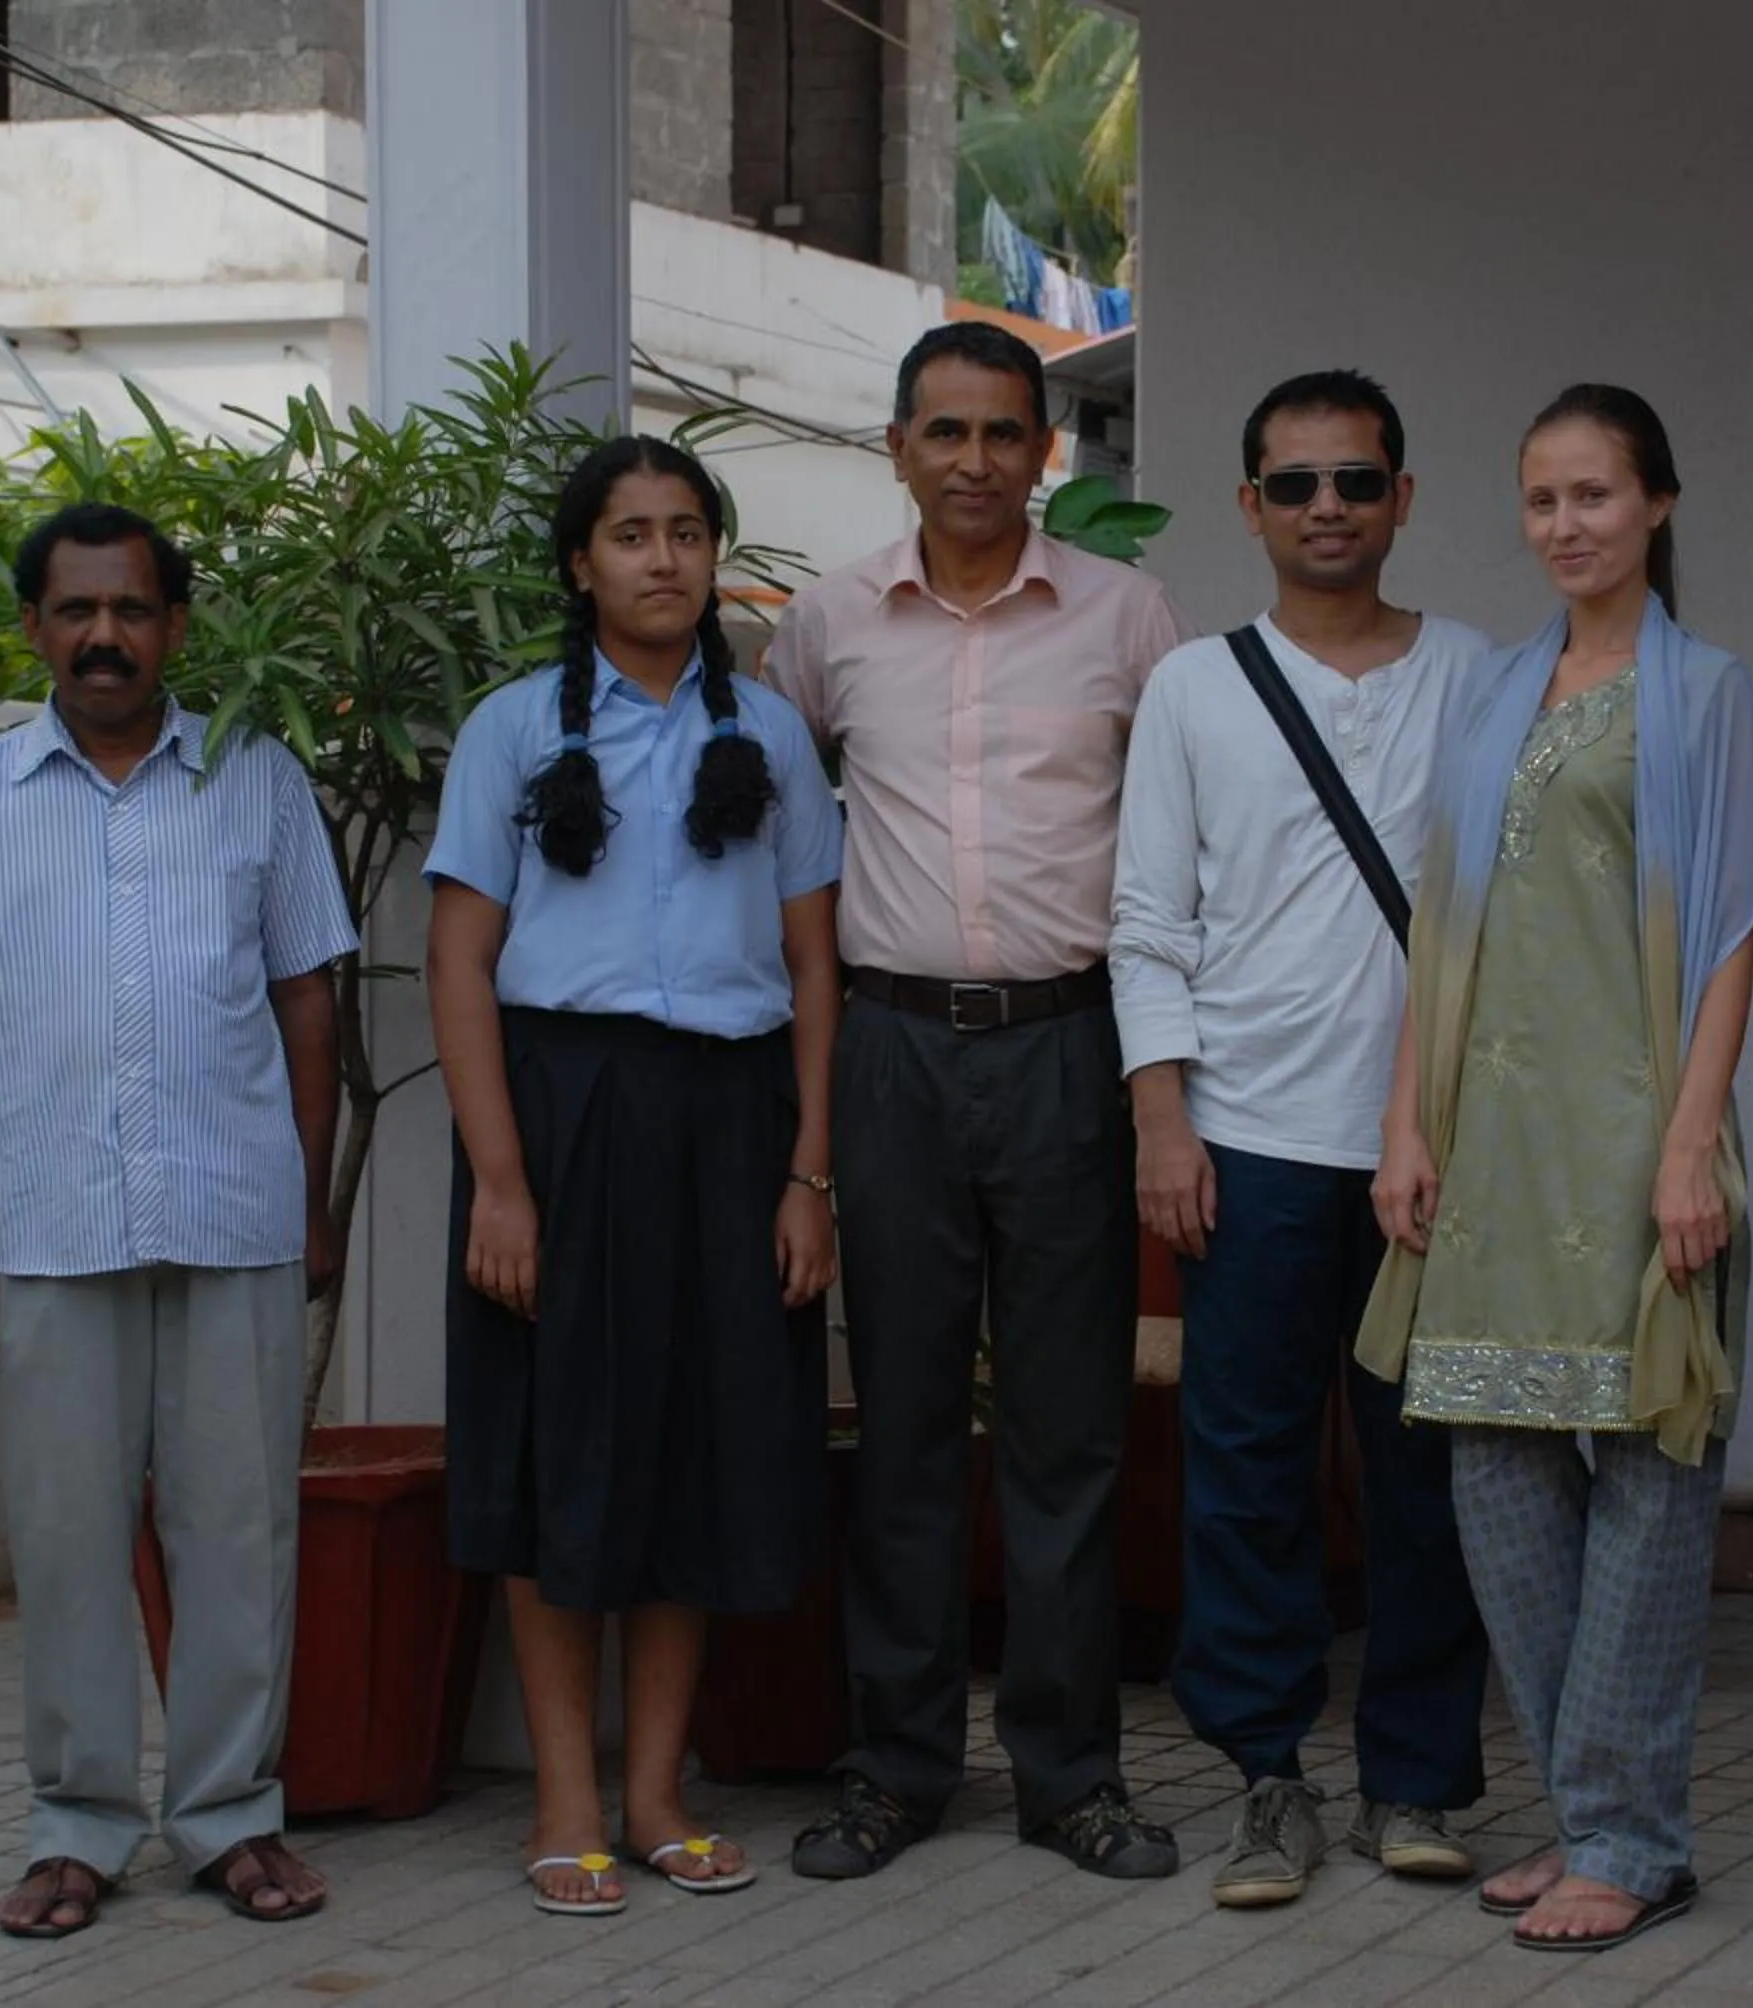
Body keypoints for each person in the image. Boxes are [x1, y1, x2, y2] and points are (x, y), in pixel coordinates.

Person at [1356, 385, 1753, 1953]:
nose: (1566, 525)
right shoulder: (1492, 694)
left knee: (1644, 1479)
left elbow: (1742, 933)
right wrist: (1407, 1126)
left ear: (1660, 508)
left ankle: (1636, 1833)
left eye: (1596, 497)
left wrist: (1696, 1144)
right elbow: (1439, 924)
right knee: (1493, 1476)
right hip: (1491, 1144)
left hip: (1636, 1144)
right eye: (1543, 499)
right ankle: (1586, 1816)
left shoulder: (1705, 699)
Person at [0, 501, 359, 1938]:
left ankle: (230, 1818)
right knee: (70, 1539)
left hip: (235, 1217)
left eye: (132, 611)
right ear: (33, 627)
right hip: (47, 1228)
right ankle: (77, 1826)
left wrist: (310, 1194)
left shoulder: (259, 779)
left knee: (238, 1535)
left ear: (175, 628)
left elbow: (310, 1002)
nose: (104, 636)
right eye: (76, 611)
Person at [766, 323, 1188, 1882]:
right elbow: (756, 802)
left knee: (1068, 1438)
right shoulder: (825, 627)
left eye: (1005, 435)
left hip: (1069, 1047)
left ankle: (1071, 1778)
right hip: (889, 1054)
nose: (975, 462)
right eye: (943, 433)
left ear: (1045, 453)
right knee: (904, 1432)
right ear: (895, 449)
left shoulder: (1127, 619)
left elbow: (1185, 829)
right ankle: (894, 1766)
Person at [423, 435, 843, 1917]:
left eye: (686, 531)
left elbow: (810, 965)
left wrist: (808, 1174)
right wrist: (500, 1181)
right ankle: (562, 1801)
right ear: (579, 562)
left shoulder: (775, 739)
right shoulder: (513, 729)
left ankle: (659, 1796)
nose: (663, 559)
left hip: (733, 1126)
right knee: (563, 1459)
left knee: (692, 1455)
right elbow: (461, 965)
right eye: (629, 534)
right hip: (565, 1114)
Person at [1110, 370, 1495, 1910]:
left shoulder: (1475, 673)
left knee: (1428, 1476)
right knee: (1248, 1473)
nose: (1326, 506)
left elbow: (1499, 915)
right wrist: (1162, 1118)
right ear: (1249, 505)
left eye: (1356, 480)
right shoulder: (1196, 688)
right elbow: (1147, 921)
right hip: (1248, 1138)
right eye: (1295, 483)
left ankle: (1415, 1782)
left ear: (1404, 499)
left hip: (1430, 1152)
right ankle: (1268, 1782)